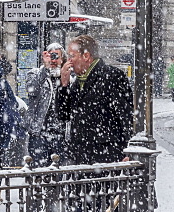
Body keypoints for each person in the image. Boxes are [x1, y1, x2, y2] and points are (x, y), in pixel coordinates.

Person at [56, 35, 133, 165]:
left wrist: (128, 150)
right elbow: (63, 114)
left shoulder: (112, 76)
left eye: (72, 56)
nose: (69, 61)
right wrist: (64, 86)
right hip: (81, 154)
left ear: (86, 56)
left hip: (106, 154)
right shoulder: (78, 82)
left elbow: (126, 116)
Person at [24, 43, 67, 167]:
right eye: (50, 55)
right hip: (39, 133)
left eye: (56, 56)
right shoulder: (35, 74)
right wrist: (45, 69)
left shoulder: (68, 76)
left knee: (59, 173)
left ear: (63, 59)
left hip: (61, 134)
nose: (53, 60)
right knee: (38, 171)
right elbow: (32, 90)